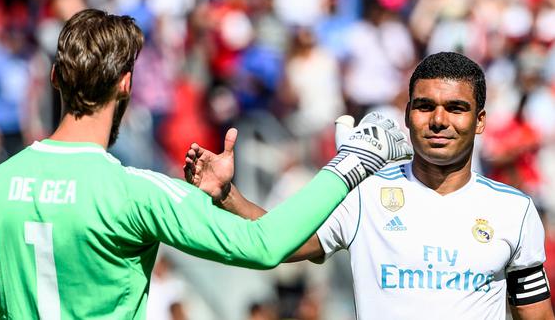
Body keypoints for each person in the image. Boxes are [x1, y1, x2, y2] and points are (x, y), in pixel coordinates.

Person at [0, 9, 413, 319]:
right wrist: (354, 160)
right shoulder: (138, 192)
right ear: (126, 84)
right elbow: (265, 245)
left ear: (54, 78)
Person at [184, 52, 555, 319]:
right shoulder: (363, 193)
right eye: (425, 106)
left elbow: (535, 316)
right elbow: (281, 242)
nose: (439, 120)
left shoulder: (514, 210)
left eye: (456, 108)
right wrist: (227, 195)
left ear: (479, 121)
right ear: (408, 115)